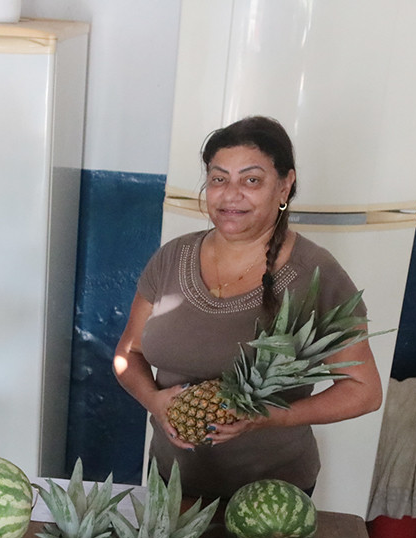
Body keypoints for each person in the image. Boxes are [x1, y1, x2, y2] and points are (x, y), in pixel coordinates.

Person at [113, 116, 382, 499]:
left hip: (271, 494)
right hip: (171, 484)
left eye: (251, 180)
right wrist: (154, 401)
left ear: (285, 186)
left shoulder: (316, 274)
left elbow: (364, 390)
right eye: (219, 179)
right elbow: (128, 353)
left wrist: (268, 417)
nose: (230, 195)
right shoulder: (172, 257)